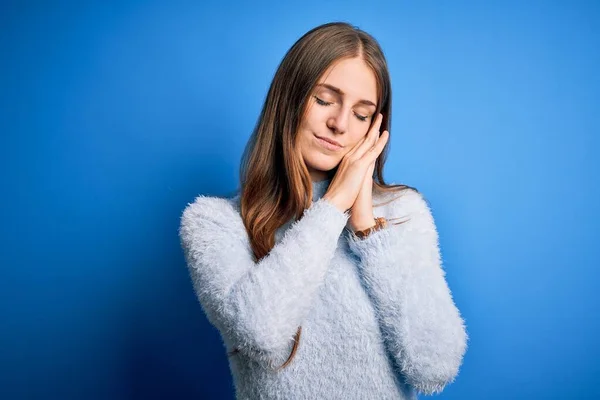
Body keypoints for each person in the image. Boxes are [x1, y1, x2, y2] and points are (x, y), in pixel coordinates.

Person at [179, 21, 468, 400]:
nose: (339, 124)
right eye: (324, 100)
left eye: (362, 114)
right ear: (290, 99)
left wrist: (366, 228)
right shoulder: (214, 222)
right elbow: (261, 334)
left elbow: (435, 366)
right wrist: (332, 208)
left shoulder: (401, 213)